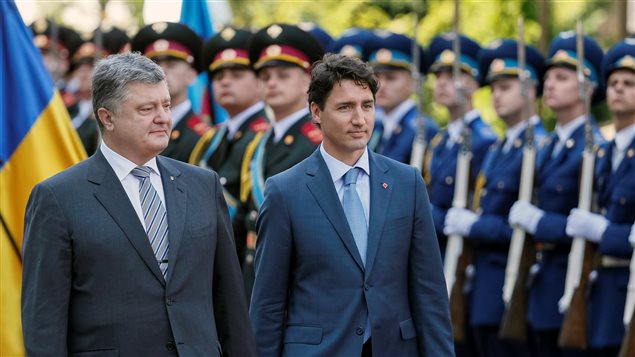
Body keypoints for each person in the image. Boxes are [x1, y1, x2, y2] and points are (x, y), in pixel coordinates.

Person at [21, 52, 255, 356]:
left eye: (166, 105)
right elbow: (44, 322)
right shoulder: (58, 197)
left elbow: (230, 304)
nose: (163, 117)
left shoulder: (203, 185)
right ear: (107, 117)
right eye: (147, 108)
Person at [250, 53, 454, 356]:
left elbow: (430, 291)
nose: (359, 119)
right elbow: (268, 303)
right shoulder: (284, 191)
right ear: (317, 111)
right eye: (345, 107)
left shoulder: (407, 183)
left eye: (367, 106)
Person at [443, 39, 546, 357]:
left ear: (530, 90)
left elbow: (521, 226)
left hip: (510, 282)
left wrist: (474, 227)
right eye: (494, 88)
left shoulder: (539, 146)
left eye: (505, 86)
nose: (496, 95)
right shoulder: (501, 147)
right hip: (481, 285)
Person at [508, 31, 605, 357]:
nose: (549, 84)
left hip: (572, 281)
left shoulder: (593, 148)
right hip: (540, 283)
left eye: (562, 77)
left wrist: (540, 222)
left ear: (587, 87)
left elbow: (588, 221)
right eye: (548, 77)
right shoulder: (548, 145)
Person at [241, 23, 324, 299]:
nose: (272, 83)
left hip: (298, 279)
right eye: (264, 76)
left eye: (283, 75)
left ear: (308, 80)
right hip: (256, 270)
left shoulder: (317, 142)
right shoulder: (260, 142)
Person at [564, 38, 635, 356]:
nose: (619, 89)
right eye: (614, 82)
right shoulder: (603, 153)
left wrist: (602, 231)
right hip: (598, 288)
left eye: (630, 83)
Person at [189, 26, 269, 278]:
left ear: (259, 80)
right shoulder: (212, 139)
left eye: (237, 73)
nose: (224, 81)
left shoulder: (264, 138)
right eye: (218, 75)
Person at [425, 33, 498, 256]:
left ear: (474, 84)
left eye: (453, 74)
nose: (443, 83)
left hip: (459, 252)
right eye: (439, 76)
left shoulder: (484, 139)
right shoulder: (440, 139)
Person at [131, 22, 210, 162]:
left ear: (192, 74)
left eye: (171, 65)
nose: (161, 71)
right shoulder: (132, 129)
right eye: (154, 65)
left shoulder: (204, 138)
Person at [364, 31, 439, 164]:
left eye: (391, 78)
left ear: (413, 82)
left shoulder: (422, 129)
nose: (381, 85)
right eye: (376, 77)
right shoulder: (377, 125)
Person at [64, 27, 130, 156]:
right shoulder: (69, 107)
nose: (83, 73)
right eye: (80, 67)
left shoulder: (112, 111)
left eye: (91, 67)